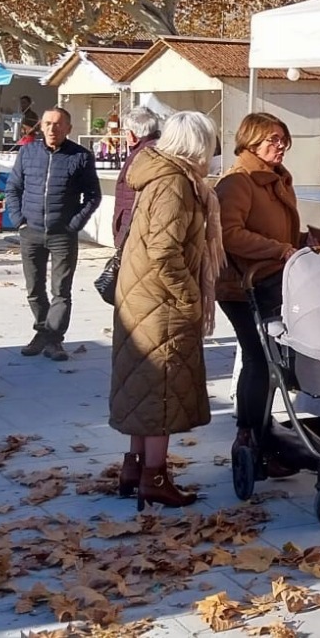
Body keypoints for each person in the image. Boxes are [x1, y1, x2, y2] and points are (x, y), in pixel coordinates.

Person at [110, 111, 222, 509]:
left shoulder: (158, 174)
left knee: (143, 388)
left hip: (141, 297)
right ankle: (154, 477)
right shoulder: (175, 182)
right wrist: (189, 296)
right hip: (159, 302)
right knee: (160, 390)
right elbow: (164, 250)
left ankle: (135, 467)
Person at [217, 112, 320, 474]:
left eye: (283, 139)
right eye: (272, 140)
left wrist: (302, 241)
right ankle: (250, 438)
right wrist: (278, 250)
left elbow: (274, 234)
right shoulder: (238, 181)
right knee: (259, 359)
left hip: (271, 281)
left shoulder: (277, 179)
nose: (280, 146)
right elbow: (229, 234)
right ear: (250, 142)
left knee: (266, 360)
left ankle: (259, 438)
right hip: (241, 285)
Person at [4, 108, 101, 361]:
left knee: (61, 290)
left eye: (58, 124)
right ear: (41, 126)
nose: (52, 129)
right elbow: (13, 189)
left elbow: (93, 196)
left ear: (68, 128)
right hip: (31, 232)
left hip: (62, 234)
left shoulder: (80, 156)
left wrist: (74, 225)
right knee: (34, 288)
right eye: (47, 123)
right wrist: (19, 221)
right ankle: (42, 332)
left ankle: (54, 339)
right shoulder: (27, 152)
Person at [110, 107, 162, 250]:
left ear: (131, 135)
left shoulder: (143, 156)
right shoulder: (159, 150)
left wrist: (121, 237)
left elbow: (131, 202)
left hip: (136, 234)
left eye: (126, 132)